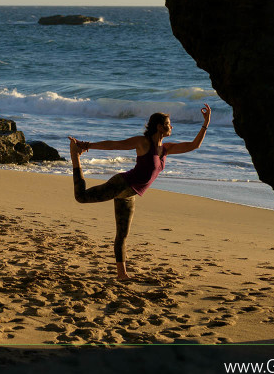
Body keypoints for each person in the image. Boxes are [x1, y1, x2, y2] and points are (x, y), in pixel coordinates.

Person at [69, 104, 211, 281]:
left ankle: (122, 275)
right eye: (169, 123)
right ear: (160, 127)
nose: (171, 126)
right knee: (81, 197)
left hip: (130, 194)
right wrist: (87, 145)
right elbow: (115, 145)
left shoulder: (166, 149)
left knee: (122, 235)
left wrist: (205, 123)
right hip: (122, 184)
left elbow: (194, 146)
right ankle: (75, 155)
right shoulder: (143, 143)